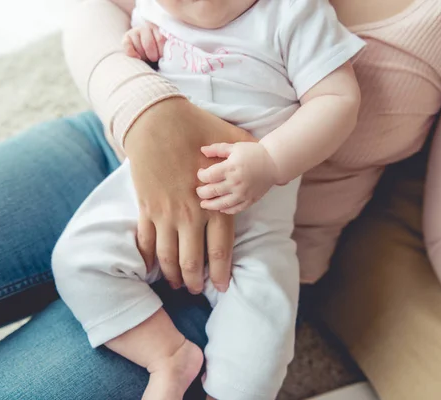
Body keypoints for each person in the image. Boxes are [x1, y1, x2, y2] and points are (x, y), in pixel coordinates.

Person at [0, 0, 441, 399]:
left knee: (248, 366)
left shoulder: (306, 15)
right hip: (112, 153)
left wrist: (271, 162)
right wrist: (142, 101)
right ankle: (161, 352)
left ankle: (174, 359)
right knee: (51, 261)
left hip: (230, 258)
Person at [52, 0, 362, 399]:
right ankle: (167, 356)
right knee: (78, 260)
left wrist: (270, 160)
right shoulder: (154, 12)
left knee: (262, 331)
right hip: (147, 201)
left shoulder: (295, 13)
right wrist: (138, 42)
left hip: (250, 236)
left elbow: (337, 100)